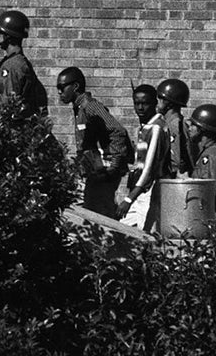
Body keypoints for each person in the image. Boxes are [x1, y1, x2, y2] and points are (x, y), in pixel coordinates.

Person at [57, 66, 131, 219]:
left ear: (75, 86)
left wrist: (114, 164)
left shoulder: (91, 106)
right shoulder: (80, 108)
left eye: (62, 87)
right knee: (93, 212)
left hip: (104, 172)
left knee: (100, 216)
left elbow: (118, 131)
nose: (59, 92)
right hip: (95, 172)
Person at [116, 84, 169, 232]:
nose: (140, 107)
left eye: (145, 103)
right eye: (136, 103)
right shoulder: (145, 127)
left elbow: (149, 169)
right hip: (139, 192)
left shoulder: (156, 128)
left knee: (147, 236)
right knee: (120, 228)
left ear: (154, 104)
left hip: (150, 192)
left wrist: (129, 199)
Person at [156, 78, 191, 177]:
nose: (157, 102)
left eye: (159, 98)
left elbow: (176, 161)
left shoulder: (175, 124)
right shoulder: (169, 122)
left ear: (168, 102)